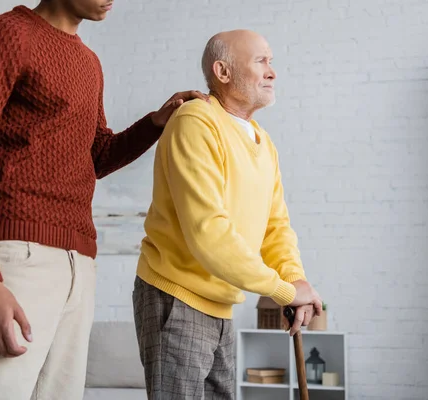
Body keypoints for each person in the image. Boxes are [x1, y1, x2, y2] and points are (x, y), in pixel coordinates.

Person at [0, 1, 208, 399]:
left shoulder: (89, 62)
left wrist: (155, 123)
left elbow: (95, 156)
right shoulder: (8, 35)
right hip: (18, 259)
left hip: (79, 264)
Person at [132, 29, 323, 399]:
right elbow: (209, 233)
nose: (272, 72)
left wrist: (294, 281)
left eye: (272, 62)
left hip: (221, 305)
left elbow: (276, 227)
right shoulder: (195, 121)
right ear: (222, 72)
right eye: (261, 61)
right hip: (177, 297)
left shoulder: (262, 142)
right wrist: (283, 290)